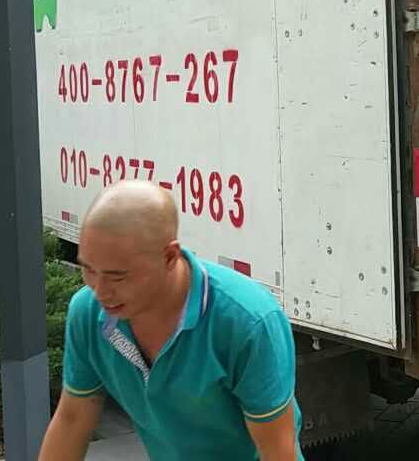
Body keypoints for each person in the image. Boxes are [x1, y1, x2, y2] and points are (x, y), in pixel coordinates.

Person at [38, 180, 302, 461]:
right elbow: (72, 421)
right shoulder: (88, 313)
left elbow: (278, 452)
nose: (100, 291)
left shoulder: (248, 323)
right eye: (89, 270)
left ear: (169, 256)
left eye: (118, 276)